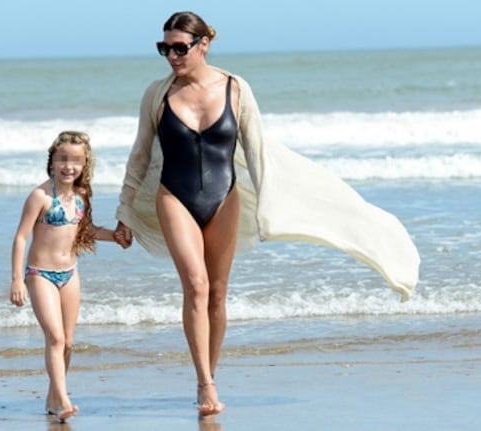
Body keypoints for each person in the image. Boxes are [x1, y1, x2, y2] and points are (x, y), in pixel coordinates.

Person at [114, 11, 420, 416]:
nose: (171, 55)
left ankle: (211, 372)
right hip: (174, 196)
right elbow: (140, 155)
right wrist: (124, 210)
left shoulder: (236, 89)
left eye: (179, 47)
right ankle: (204, 383)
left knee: (218, 294)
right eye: (164, 48)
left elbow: (257, 153)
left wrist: (271, 207)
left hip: (225, 197)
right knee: (196, 286)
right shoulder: (157, 94)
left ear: (203, 45)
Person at [10, 130, 123, 421]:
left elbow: (86, 231)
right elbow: (21, 237)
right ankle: (63, 399)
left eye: (75, 161)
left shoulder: (82, 195)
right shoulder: (40, 196)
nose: (68, 166)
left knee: (68, 341)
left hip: (70, 274)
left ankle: (52, 396)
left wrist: (116, 236)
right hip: (40, 275)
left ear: (85, 165)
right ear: (52, 160)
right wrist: (16, 280)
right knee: (55, 338)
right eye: (62, 159)